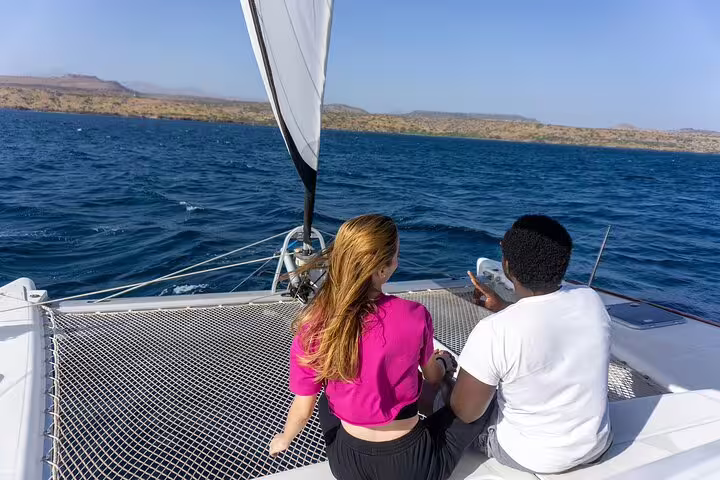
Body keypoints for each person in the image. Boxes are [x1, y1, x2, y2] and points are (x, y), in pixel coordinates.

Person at [269, 214, 491, 480]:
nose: (398, 260)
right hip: (414, 466)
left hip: (348, 465)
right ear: (382, 270)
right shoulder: (414, 315)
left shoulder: (314, 325)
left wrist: (284, 439)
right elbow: (432, 377)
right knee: (478, 407)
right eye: (396, 254)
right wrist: (443, 362)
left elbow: (302, 409)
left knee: (326, 396)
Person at [450, 214, 613, 474]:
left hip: (530, 456)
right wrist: (504, 308)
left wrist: (440, 378)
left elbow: (466, 413)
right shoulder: (590, 300)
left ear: (506, 266)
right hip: (595, 444)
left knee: (442, 394)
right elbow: (548, 320)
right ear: (564, 262)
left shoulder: (495, 330)